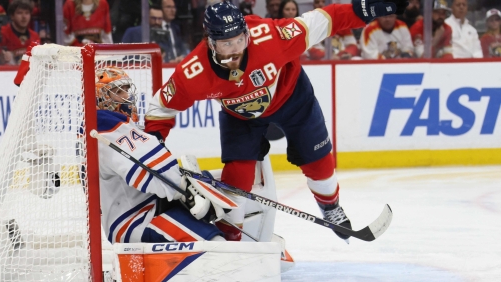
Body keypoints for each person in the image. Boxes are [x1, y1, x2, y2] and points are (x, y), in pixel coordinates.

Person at [144, 0, 407, 242]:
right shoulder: (194, 73)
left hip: (293, 98)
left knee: (320, 164)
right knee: (236, 181)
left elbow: (324, 20)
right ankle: (229, 239)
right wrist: (153, 143)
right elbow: (161, 108)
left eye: (240, 40)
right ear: (210, 42)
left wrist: (366, 9)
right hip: (241, 118)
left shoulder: (271, 37)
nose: (236, 49)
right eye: (226, 43)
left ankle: (330, 206)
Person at [94, 67, 225, 243]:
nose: (127, 96)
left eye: (126, 89)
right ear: (100, 100)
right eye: (117, 91)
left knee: (212, 189)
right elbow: (150, 171)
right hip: (133, 221)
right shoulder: (103, 125)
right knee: (213, 241)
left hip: (151, 208)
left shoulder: (114, 127)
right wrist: (185, 189)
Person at [0, 0, 40, 65]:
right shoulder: (2, 33)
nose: (24, 17)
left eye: (27, 13)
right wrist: (1, 56)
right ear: (12, 16)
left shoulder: (35, 36)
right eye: (19, 13)